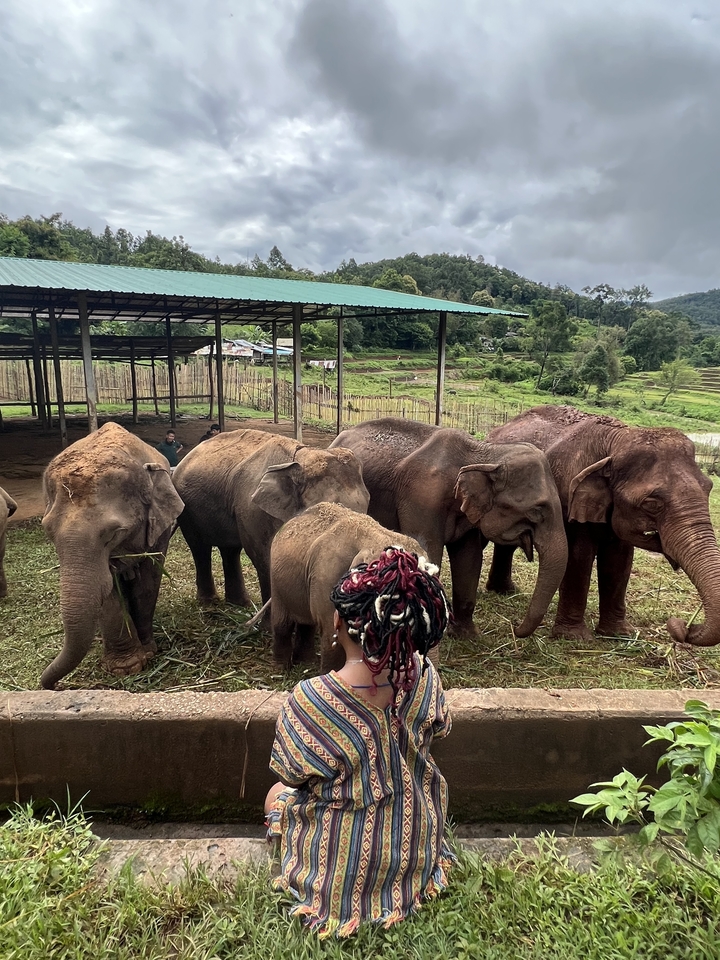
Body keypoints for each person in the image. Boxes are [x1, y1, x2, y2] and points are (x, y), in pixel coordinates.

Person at [265, 546, 454, 939]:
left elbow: (292, 775)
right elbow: (439, 729)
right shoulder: (427, 679)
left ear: (336, 622)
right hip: (414, 858)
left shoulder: (310, 700)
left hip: (332, 885)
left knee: (275, 793)